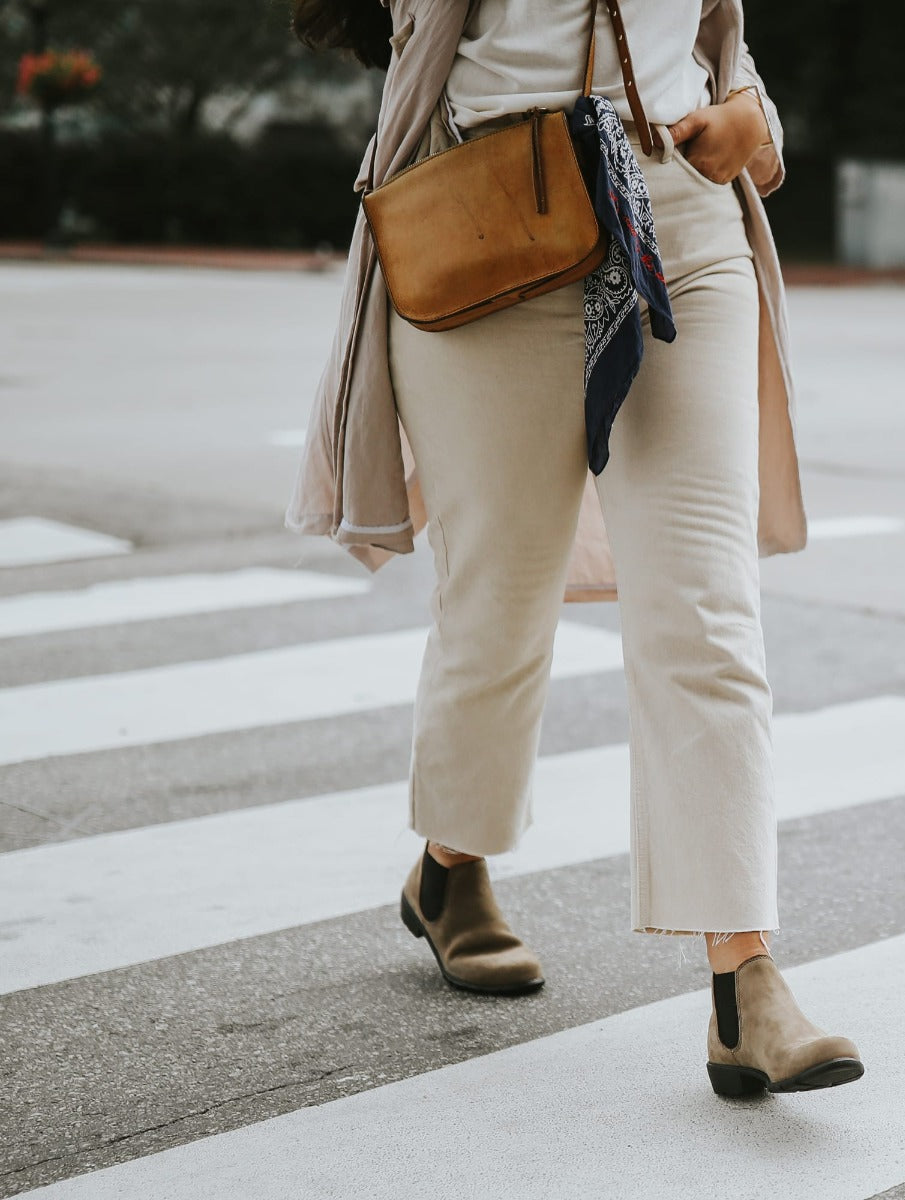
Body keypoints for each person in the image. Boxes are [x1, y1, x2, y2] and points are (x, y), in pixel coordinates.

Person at [288, 0, 864, 1098]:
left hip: (682, 218)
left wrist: (755, 117)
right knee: (500, 602)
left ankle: (745, 983)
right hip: (495, 210)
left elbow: (712, 35)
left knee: (706, 608)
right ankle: (450, 867)